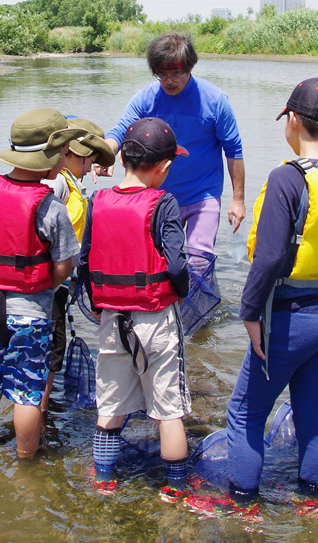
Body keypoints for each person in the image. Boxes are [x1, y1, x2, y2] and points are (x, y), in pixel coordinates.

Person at [187, 77, 318, 517]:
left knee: (244, 413)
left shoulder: (288, 177)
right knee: (313, 414)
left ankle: (243, 505)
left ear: (295, 120)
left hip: (291, 316)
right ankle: (313, 502)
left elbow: (266, 259)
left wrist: (249, 313)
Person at [0, 108, 85, 458]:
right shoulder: (50, 206)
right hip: (31, 311)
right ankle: (26, 463)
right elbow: (65, 264)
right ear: (52, 161)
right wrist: (42, 284)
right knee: (27, 392)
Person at [78, 117, 191, 501]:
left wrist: (96, 305)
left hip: (112, 318)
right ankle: (175, 487)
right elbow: (176, 265)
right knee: (168, 407)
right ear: (163, 167)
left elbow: (84, 261)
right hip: (155, 318)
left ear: (123, 158)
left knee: (110, 404)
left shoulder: (98, 200)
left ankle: (105, 480)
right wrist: (181, 292)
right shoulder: (164, 203)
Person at [104, 32, 245, 315]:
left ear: (190, 68)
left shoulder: (215, 101)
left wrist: (238, 199)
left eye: (176, 73)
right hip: (156, 194)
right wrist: (104, 153)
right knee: (155, 260)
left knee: (199, 260)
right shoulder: (146, 98)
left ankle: (200, 318)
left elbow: (234, 150)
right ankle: (158, 313)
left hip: (202, 194)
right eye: (161, 74)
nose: (168, 80)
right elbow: (120, 130)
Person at [41, 117, 114, 411]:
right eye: (90, 160)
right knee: (50, 350)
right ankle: (39, 414)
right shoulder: (56, 181)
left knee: (50, 349)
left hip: (57, 283)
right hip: (48, 285)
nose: (92, 167)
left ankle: (36, 411)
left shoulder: (68, 179)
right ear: (72, 153)